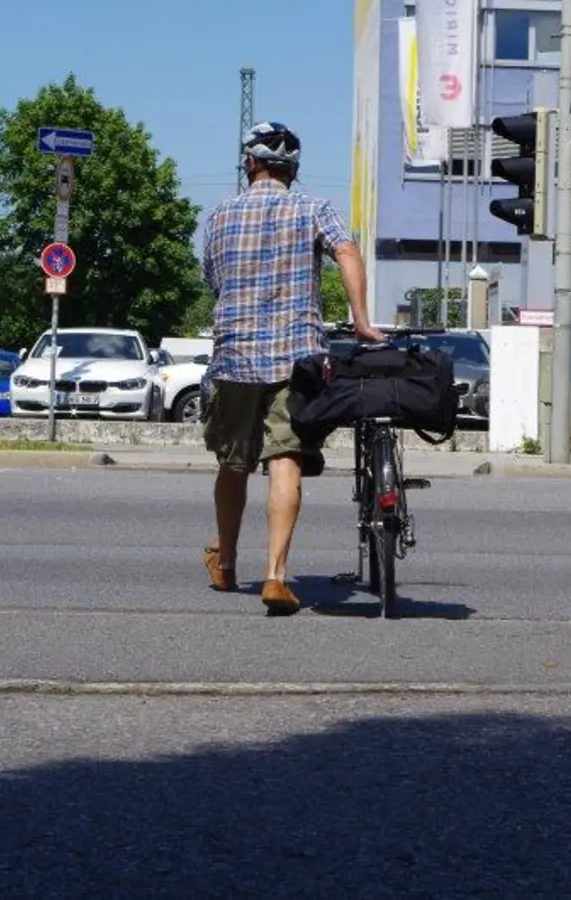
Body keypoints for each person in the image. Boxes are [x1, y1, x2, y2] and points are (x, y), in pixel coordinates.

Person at [200, 121, 384, 616]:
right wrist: (361, 320)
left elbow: (214, 281)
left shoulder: (219, 216)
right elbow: (346, 250)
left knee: (232, 462)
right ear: (293, 170)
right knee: (286, 460)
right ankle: (276, 576)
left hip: (234, 354)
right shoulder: (313, 209)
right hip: (296, 354)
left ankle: (227, 562)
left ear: (250, 164)